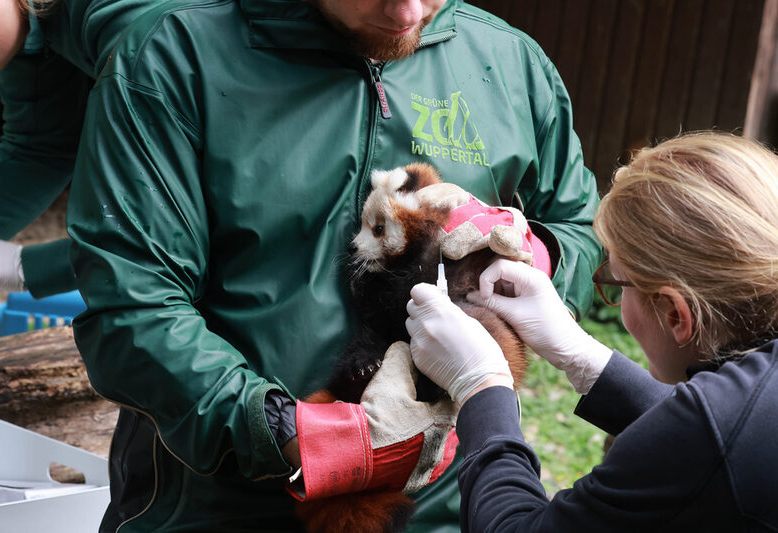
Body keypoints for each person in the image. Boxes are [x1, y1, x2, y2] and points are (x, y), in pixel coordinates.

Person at [66, 0, 603, 530]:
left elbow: (577, 227)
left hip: (445, 502)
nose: (407, 14)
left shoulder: (512, 63)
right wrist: (280, 430)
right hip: (218, 504)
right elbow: (133, 300)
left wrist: (528, 258)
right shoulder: (172, 58)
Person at [406, 131, 778, 532]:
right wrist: (582, 356)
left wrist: (481, 386)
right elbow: (723, 439)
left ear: (675, 314)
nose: (614, 297)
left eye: (616, 283)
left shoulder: (713, 434)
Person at [0, 0, 167, 297]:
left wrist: (19, 265)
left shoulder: (135, 24)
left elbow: (166, 219)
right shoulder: (26, 24)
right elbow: (41, 149)